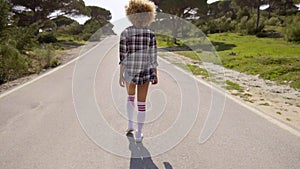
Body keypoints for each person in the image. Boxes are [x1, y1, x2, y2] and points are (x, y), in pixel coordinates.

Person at [119, 0, 158, 143]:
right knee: (142, 103)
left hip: (130, 71)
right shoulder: (150, 34)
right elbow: (153, 57)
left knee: (130, 98)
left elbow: (123, 56)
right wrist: (155, 74)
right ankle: (139, 133)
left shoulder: (126, 33)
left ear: (131, 14)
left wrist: (120, 75)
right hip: (145, 72)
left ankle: (130, 125)